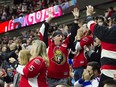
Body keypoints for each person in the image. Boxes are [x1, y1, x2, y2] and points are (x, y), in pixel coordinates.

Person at [39, 8, 79, 87]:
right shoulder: (48, 45)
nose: (61, 37)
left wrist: (76, 19)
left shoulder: (66, 44)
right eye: (59, 36)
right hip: (50, 77)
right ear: (53, 38)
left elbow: (73, 34)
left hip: (63, 77)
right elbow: (42, 32)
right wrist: (49, 19)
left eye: (62, 36)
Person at [86, 5, 116, 87]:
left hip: (108, 74)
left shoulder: (106, 32)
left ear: (111, 22)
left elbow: (90, 24)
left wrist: (89, 14)